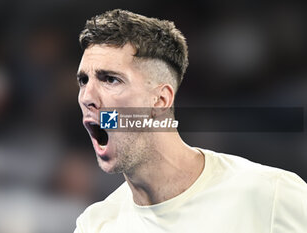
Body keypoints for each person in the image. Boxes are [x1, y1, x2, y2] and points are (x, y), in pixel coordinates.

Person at [74, 9, 307, 233]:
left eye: (110, 79)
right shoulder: (96, 225)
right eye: (84, 80)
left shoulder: (272, 195)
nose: (87, 97)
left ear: (160, 100)